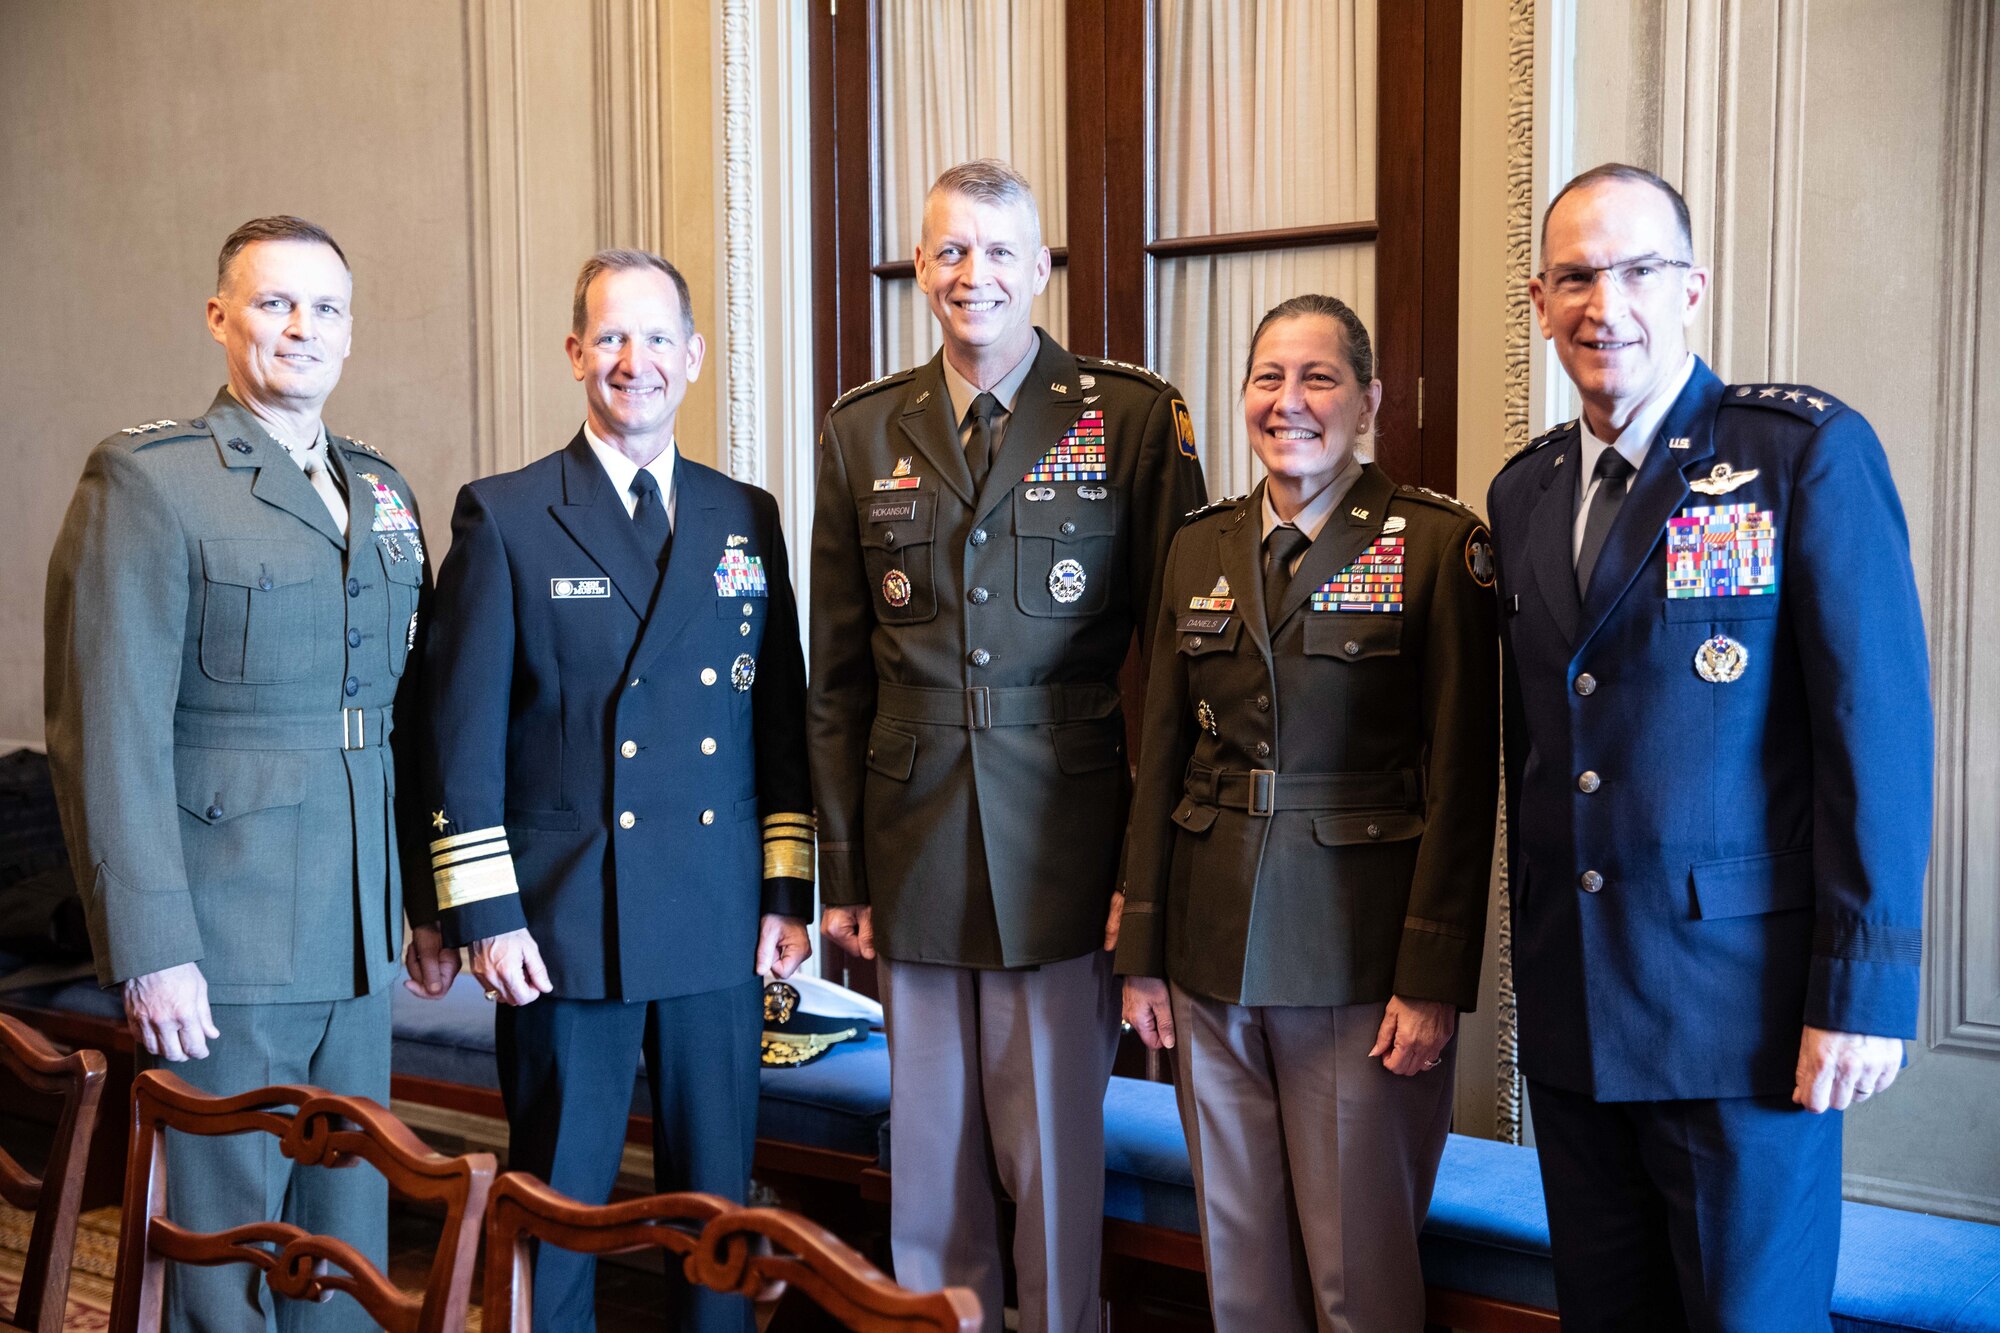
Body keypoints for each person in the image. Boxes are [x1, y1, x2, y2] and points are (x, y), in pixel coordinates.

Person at [1486, 163, 1931, 1331]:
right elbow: (1535, 748)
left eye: (1635, 271)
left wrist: (1862, 992)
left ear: (1689, 287)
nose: (1604, 304)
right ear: (1538, 301)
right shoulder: (1523, 492)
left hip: (1743, 1022)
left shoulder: (1796, 456)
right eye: (1574, 277)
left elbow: (1871, 734)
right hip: (1579, 1009)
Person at [809, 158, 1205, 1333]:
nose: (969, 274)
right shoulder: (862, 425)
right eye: (945, 251)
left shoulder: (1127, 415)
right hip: (912, 827)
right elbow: (832, 672)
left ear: (1040, 269)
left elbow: (1181, 668)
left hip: (1067, 834)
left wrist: (1149, 877)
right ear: (919, 268)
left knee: (1051, 1153)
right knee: (926, 1152)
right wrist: (847, 869)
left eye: (995, 251)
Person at [44, 215, 436, 1332]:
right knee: (218, 1251)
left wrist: (413, 905)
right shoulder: (151, 481)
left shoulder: (381, 489)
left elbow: (397, 720)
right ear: (220, 317)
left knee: (340, 1248)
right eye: (273, 303)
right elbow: (106, 730)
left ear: (350, 333)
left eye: (326, 308)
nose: (301, 329)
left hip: (358, 937)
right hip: (226, 937)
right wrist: (151, 948)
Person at [415, 248, 812, 1333]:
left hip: (714, 918)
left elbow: (778, 718)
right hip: (562, 922)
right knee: (557, 1207)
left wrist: (787, 891)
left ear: (691, 358)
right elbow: (458, 738)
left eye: (654, 339)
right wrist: (486, 917)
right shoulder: (505, 516)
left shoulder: (745, 514)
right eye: (609, 338)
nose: (632, 361)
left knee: (713, 1216)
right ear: (574, 353)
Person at [1116, 295, 1497, 1332]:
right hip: (1208, 947)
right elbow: (1162, 756)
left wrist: (1428, 980)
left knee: (1354, 1276)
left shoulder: (1432, 545)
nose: (1289, 402)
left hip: (1356, 961)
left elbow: (1462, 784)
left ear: (1367, 400)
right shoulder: (1197, 547)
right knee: (1239, 1268)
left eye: (1318, 378)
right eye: (1267, 378)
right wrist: (1141, 950)